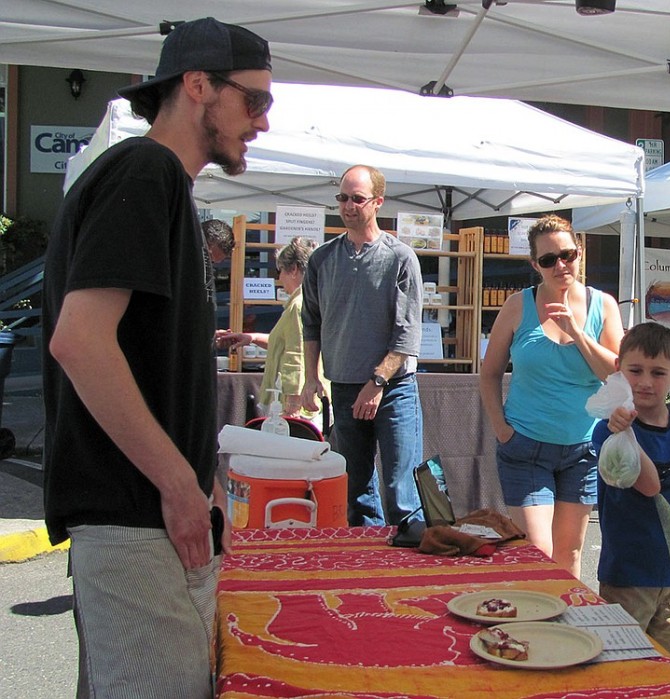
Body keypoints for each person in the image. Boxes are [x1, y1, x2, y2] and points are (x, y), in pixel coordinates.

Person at [41, 17, 272, 698]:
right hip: (132, 519)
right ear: (198, 86)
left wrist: (193, 482)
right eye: (254, 101)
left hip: (138, 518)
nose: (261, 123)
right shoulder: (145, 172)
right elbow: (79, 340)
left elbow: (141, 356)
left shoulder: (150, 180)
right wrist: (177, 482)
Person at [480, 214, 624, 578]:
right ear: (535, 265)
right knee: (537, 551)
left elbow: (619, 374)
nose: (561, 265)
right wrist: (501, 427)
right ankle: (531, 629)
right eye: (548, 260)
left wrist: (577, 333)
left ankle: (565, 629)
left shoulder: (602, 305)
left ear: (580, 253)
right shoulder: (518, 305)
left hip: (582, 448)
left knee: (569, 553)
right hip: (525, 446)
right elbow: (490, 372)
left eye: (568, 255)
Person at [300, 165, 424, 526]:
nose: (348, 206)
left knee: (402, 491)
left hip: (394, 388)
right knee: (356, 494)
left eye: (357, 198)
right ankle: (369, 568)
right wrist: (311, 378)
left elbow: (406, 334)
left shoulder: (400, 258)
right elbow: (311, 321)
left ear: (378, 202)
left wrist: (378, 383)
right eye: (342, 198)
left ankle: (409, 573)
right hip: (343, 385)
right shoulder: (322, 259)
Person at [591, 322, 670, 668]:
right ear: (618, 370)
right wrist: (627, 431)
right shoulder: (607, 431)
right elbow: (649, 485)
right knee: (623, 666)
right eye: (635, 371)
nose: (645, 382)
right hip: (627, 576)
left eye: (657, 373)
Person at [216, 237, 328, 428]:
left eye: (280, 271)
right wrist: (251, 338)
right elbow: (288, 344)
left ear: (293, 270)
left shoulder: (299, 305)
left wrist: (293, 404)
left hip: (299, 403)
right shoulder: (311, 299)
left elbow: (296, 354)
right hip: (308, 399)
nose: (279, 278)